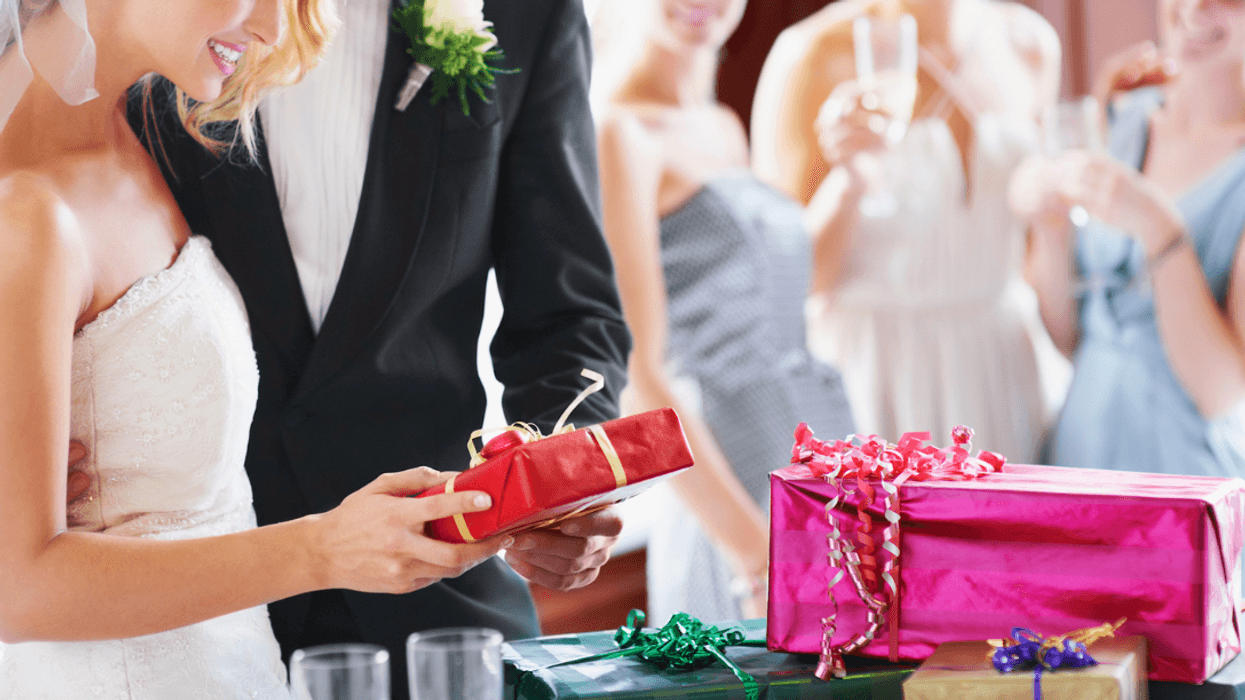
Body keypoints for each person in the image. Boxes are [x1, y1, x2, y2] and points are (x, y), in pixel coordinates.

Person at [110, 0, 633, 696]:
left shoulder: (528, 15)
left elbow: (569, 317)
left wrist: (558, 486)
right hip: (186, 601)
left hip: (439, 596)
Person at [0, 0, 516, 697]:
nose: (275, 29)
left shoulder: (141, 135)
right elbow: (19, 592)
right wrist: (323, 549)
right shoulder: (27, 214)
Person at [592, 0, 856, 623]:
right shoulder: (618, 133)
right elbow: (637, 374)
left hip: (817, 458)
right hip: (734, 483)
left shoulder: (718, 123)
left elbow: (788, 288)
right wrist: (755, 553)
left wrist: (855, 174)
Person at [749, 0, 1061, 463]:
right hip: (879, 376)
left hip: (1003, 367)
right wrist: (851, 177)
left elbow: (1036, 250)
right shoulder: (812, 55)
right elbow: (787, 287)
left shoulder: (1029, 43)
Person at [1010, 0, 1245, 477]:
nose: (1197, 8)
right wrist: (1050, 228)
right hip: (1078, 454)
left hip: (1182, 475)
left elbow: (1224, 394)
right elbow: (1068, 336)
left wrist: (1161, 231)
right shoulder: (1121, 118)